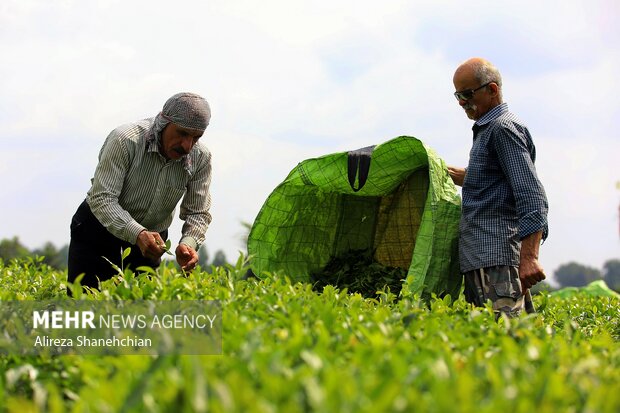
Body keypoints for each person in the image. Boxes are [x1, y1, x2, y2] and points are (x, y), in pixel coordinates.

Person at [68, 92, 213, 290]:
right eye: (181, 133)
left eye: (196, 138)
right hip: (97, 233)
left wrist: (188, 243)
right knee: (85, 305)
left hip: (150, 245)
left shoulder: (201, 158)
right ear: (163, 122)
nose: (187, 146)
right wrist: (138, 233)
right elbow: (102, 198)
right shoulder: (125, 140)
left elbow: (198, 212)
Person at [448, 58, 549, 318]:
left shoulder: (502, 128)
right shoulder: (488, 130)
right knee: (490, 343)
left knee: (504, 343)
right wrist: (442, 171)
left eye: (468, 94)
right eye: (458, 95)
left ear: (492, 90)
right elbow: (489, 181)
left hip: (496, 258)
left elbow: (531, 194)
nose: (461, 102)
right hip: (481, 259)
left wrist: (529, 257)